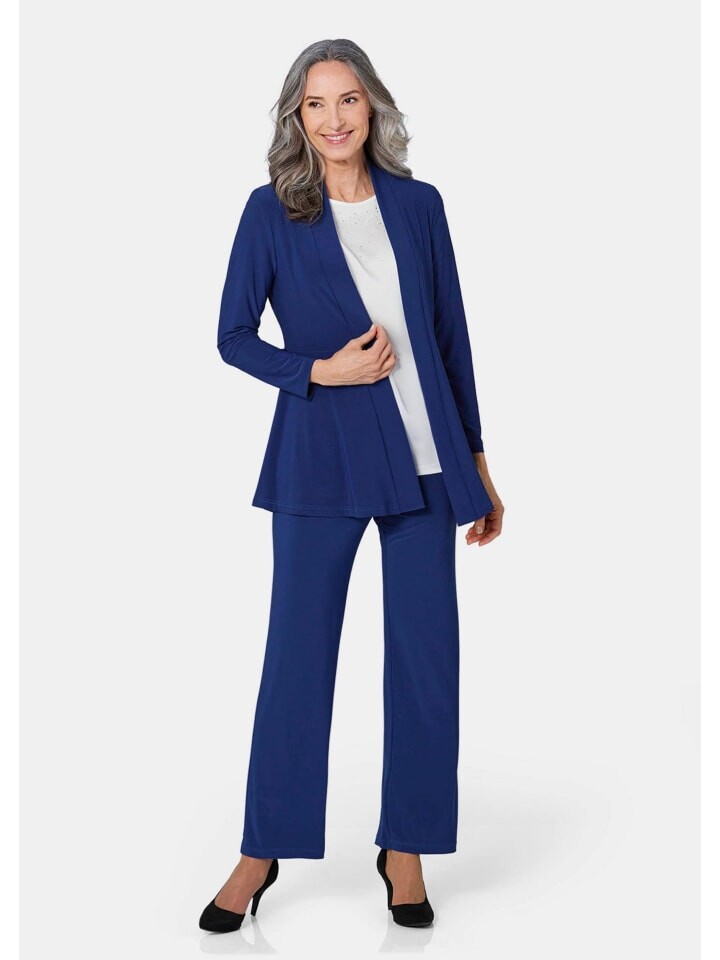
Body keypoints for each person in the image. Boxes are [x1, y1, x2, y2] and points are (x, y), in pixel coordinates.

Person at [199, 38, 504, 933]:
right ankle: (261, 850)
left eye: (349, 100)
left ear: (374, 107)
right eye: (316, 104)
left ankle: (405, 847)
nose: (334, 120)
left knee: (426, 663)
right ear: (297, 117)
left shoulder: (419, 204)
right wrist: (318, 372)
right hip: (320, 462)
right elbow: (232, 335)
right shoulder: (271, 211)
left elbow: (449, 336)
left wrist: (477, 462)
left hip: (425, 464)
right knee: (296, 662)